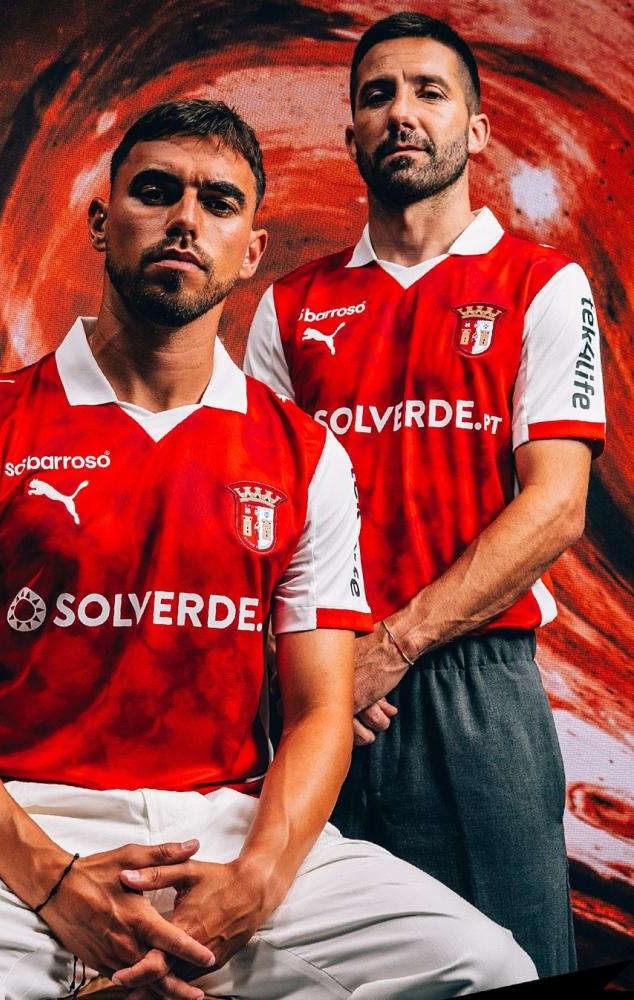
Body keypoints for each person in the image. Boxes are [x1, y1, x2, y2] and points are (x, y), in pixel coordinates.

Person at [0, 99, 535, 1000]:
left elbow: (321, 711)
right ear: (101, 223)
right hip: (15, 825)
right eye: (157, 192)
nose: (185, 221)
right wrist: (54, 884)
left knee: (485, 968)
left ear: (251, 250)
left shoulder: (306, 456)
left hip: (229, 828)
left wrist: (256, 885)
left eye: (218, 202)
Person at [244, 13, 605, 982]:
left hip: (473, 681)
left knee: (512, 966)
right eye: (377, 95)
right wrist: (313, 666)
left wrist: (393, 646)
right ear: (351, 133)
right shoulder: (289, 306)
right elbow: (259, 514)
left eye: (428, 91)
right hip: (320, 688)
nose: (401, 112)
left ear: (475, 129)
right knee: (311, 976)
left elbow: (556, 506)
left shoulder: (541, 284)